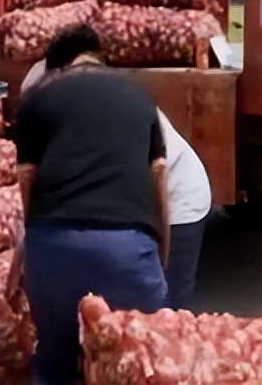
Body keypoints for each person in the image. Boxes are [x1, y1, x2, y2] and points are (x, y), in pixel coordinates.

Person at [12, 25, 170, 385]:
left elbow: (27, 183)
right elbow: (159, 180)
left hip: (54, 246)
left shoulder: (38, 99)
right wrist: (159, 254)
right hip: (126, 248)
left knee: (54, 354)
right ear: (98, 57)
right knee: (145, 356)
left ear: (57, 68)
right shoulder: (141, 97)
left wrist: (33, 251)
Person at [21, 58, 212, 311]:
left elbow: (155, 178)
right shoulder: (66, 112)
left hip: (178, 196)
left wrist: (156, 256)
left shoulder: (110, 110)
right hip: (139, 204)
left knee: (167, 311)